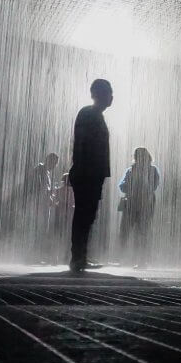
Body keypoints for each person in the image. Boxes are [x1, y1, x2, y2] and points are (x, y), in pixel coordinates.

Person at [67, 78, 114, 272]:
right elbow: (82, 145)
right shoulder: (89, 114)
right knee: (84, 214)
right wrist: (84, 171)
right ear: (98, 94)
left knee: (87, 215)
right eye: (109, 93)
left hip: (91, 173)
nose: (112, 97)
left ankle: (81, 255)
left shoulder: (94, 115)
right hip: (87, 173)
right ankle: (77, 257)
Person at [118, 146, 160, 269]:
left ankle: (137, 260)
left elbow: (122, 186)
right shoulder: (146, 170)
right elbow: (154, 185)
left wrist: (132, 188)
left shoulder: (133, 170)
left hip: (137, 203)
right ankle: (138, 260)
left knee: (135, 232)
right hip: (142, 203)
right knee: (140, 232)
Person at [25, 152, 60, 263]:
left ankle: (36, 255)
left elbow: (44, 188)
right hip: (39, 204)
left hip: (43, 204)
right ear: (49, 160)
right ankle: (32, 256)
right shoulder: (40, 169)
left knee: (41, 230)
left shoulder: (46, 171)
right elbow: (38, 187)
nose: (55, 166)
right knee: (38, 229)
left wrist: (51, 194)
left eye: (56, 164)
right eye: (54, 163)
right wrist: (48, 196)